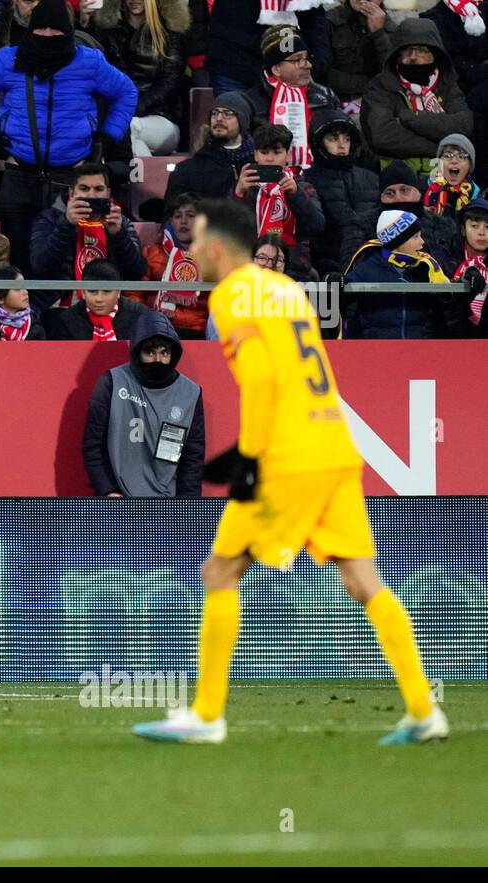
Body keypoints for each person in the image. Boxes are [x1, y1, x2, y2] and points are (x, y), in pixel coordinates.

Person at [133, 197, 449, 745]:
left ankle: (207, 716)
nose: (189, 251)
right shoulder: (284, 289)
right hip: (334, 444)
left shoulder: (234, 295)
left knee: (221, 572)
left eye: (196, 242)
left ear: (216, 245)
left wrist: (251, 458)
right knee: (362, 579)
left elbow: (262, 380)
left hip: (289, 454)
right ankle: (425, 710)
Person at [0, 0, 138, 272]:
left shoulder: (90, 62)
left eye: (56, 31)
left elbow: (127, 92)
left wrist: (108, 138)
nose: (49, 37)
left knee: (65, 264)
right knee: (18, 262)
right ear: (31, 31)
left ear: (69, 34)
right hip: (18, 175)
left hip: (69, 178)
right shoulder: (9, 60)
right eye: (42, 30)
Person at [82, 310, 205, 497]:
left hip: (167, 505)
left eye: (165, 353)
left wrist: (186, 508)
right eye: (150, 352)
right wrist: (108, 491)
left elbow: (192, 459)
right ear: (137, 351)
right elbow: (93, 444)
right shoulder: (111, 383)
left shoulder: (190, 393)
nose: (158, 360)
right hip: (118, 501)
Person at [361, 17, 473, 180]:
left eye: (421, 50)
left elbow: (462, 126)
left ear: (435, 55)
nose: (413, 56)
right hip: (397, 179)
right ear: (397, 54)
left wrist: (409, 117)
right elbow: (381, 135)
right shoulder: (381, 85)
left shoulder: (446, 85)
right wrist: (440, 148)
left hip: (445, 177)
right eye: (406, 50)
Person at [30, 161, 148, 306]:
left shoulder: (120, 222)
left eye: (99, 189)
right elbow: (40, 267)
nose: (91, 195)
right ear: (71, 193)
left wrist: (119, 236)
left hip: (109, 303)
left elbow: (136, 273)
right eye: (84, 189)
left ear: (108, 193)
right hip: (59, 304)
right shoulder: (50, 219)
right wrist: (66, 225)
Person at [91, 0, 190, 156]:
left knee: (126, 127)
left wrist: (131, 107)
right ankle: (143, 179)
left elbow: (170, 83)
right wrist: (85, 23)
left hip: (163, 118)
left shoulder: (171, 34)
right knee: (130, 137)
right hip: (121, 114)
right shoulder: (110, 32)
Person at [232, 123, 326, 281]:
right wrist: (239, 193)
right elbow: (229, 231)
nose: (269, 158)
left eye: (277, 152)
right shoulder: (245, 188)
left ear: (288, 155)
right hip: (250, 269)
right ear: (255, 155)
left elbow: (316, 226)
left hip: (294, 270)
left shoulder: (302, 187)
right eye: (264, 152)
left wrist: (296, 195)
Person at [236, 25, 341, 167]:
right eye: (297, 59)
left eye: (306, 58)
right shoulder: (249, 102)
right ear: (276, 69)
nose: (308, 65)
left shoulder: (325, 96)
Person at [342, 208, 454, 338]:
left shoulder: (427, 269)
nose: (422, 242)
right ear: (397, 242)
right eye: (415, 237)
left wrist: (467, 284)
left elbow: (446, 309)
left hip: (420, 352)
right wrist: (334, 283)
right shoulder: (365, 270)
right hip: (376, 352)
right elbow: (340, 305)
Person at [302, 110, 381, 276]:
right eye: (333, 139)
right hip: (325, 268)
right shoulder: (306, 181)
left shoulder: (372, 179)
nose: (342, 145)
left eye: (347, 139)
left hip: (370, 264)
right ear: (318, 142)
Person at [164, 93, 255, 208]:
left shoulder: (258, 165)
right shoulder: (186, 171)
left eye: (227, 114)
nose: (219, 119)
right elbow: (173, 218)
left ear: (243, 121)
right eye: (214, 113)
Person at [142, 191, 209, 338]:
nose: (183, 221)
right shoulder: (151, 253)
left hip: (200, 330)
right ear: (171, 221)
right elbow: (135, 294)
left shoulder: (213, 256)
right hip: (159, 328)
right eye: (177, 216)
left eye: (191, 215)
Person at [43, 257, 150, 339]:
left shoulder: (139, 316)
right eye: (93, 291)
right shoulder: (67, 321)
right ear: (83, 292)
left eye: (107, 292)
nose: (99, 299)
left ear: (118, 292)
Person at [325, 0, 397, 104]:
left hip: (377, 102)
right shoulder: (329, 20)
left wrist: (378, 34)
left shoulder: (392, 28)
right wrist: (366, 84)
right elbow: (320, 71)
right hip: (335, 100)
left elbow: (393, 74)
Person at [450, 197, 488, 336]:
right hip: (452, 339)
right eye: (474, 226)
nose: (482, 233)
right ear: (463, 230)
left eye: (487, 227)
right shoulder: (446, 257)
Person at [424, 132, 480, 217]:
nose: (454, 161)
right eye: (447, 156)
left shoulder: (475, 197)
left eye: (461, 156)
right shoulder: (424, 189)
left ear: (469, 166)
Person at [0, 266, 45, 339]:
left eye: (24, 286)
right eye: (18, 288)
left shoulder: (36, 329)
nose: (25, 292)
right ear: (1, 298)